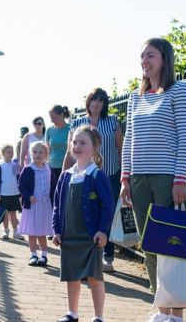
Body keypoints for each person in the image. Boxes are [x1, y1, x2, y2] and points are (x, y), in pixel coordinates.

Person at [120, 38, 186, 322]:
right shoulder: (134, 98)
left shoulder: (179, 91)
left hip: (166, 178)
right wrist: (125, 178)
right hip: (138, 179)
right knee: (149, 244)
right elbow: (128, 142)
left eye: (150, 55)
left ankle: (177, 313)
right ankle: (162, 309)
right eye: (142, 56)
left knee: (170, 246)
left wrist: (180, 179)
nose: (144, 61)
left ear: (164, 59)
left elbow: (184, 137)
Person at [52, 125, 115, 322]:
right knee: (71, 277)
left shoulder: (98, 176)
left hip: (91, 237)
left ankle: (99, 317)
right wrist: (56, 229)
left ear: (94, 147)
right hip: (69, 236)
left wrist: (103, 231)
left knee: (95, 278)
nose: (77, 146)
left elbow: (108, 206)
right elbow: (57, 205)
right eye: (74, 142)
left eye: (83, 142)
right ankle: (72, 313)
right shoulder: (65, 176)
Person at [64, 88, 123, 272]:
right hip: (85, 176)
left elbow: (120, 148)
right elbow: (69, 151)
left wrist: (124, 174)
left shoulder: (112, 122)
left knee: (109, 212)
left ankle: (108, 256)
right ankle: (89, 252)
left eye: (100, 101)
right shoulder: (78, 123)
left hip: (110, 175)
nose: (96, 104)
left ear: (105, 104)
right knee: (88, 211)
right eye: (93, 100)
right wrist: (64, 175)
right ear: (88, 102)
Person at [17, 141, 55, 267]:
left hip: (45, 205)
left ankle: (44, 255)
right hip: (32, 206)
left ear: (46, 154)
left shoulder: (48, 169)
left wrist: (55, 201)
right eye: (35, 152)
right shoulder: (28, 169)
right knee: (32, 232)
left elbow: (54, 186)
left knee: (42, 232)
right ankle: (33, 255)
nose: (37, 154)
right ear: (31, 154)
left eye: (41, 152)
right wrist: (29, 196)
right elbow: (21, 186)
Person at [0, 143, 24, 240]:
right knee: (5, 215)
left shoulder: (15, 165)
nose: (11, 154)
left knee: (13, 214)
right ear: (2, 154)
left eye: (12, 152)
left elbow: (19, 179)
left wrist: (20, 192)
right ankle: (5, 231)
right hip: (4, 195)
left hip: (14, 193)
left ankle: (16, 232)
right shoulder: (0, 167)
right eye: (8, 152)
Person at [46, 105, 71, 180]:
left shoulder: (71, 128)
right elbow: (47, 149)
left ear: (62, 115)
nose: (52, 121)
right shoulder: (49, 130)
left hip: (69, 166)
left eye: (54, 118)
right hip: (52, 167)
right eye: (50, 118)